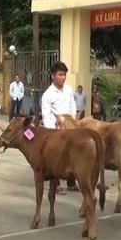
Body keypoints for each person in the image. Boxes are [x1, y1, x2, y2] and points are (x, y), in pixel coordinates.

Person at [40, 61, 78, 193]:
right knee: (56, 158)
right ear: (53, 76)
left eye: (64, 75)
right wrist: (54, 132)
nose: (63, 77)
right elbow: (46, 116)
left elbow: (73, 107)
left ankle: (71, 182)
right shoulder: (47, 95)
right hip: (56, 130)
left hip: (70, 127)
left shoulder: (68, 90)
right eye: (60, 74)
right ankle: (55, 185)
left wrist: (72, 122)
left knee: (72, 156)